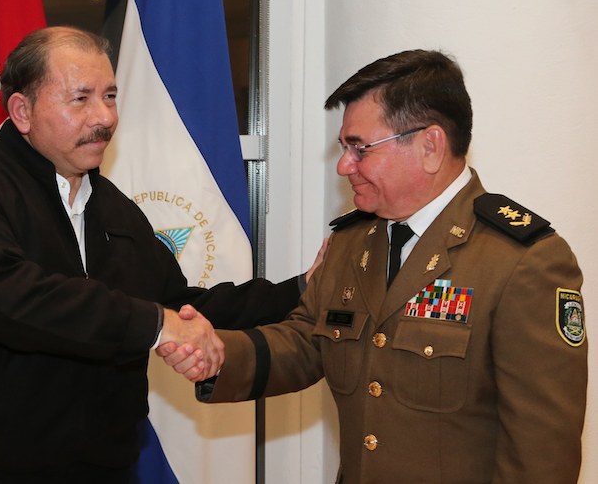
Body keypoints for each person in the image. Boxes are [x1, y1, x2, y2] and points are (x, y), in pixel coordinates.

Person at [0, 26, 319, 483]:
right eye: (80, 99)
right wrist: (156, 325)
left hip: (105, 464)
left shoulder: (115, 207)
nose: (104, 117)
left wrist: (303, 289)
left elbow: (180, 303)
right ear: (22, 111)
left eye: (109, 96)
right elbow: (7, 296)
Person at [161, 49, 588, 483]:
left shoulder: (521, 261)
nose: (344, 165)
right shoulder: (353, 242)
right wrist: (219, 354)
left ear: (430, 146)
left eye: (359, 148)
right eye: (344, 148)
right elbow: (307, 341)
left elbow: (542, 456)